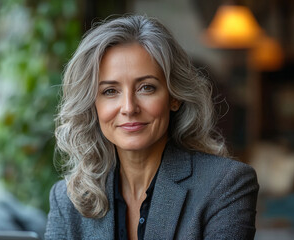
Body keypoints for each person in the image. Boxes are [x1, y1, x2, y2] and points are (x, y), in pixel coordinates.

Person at [46, 15, 259, 240]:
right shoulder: (67, 198)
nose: (129, 108)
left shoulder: (226, 185)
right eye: (110, 91)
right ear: (92, 105)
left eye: (146, 88)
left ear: (174, 97)